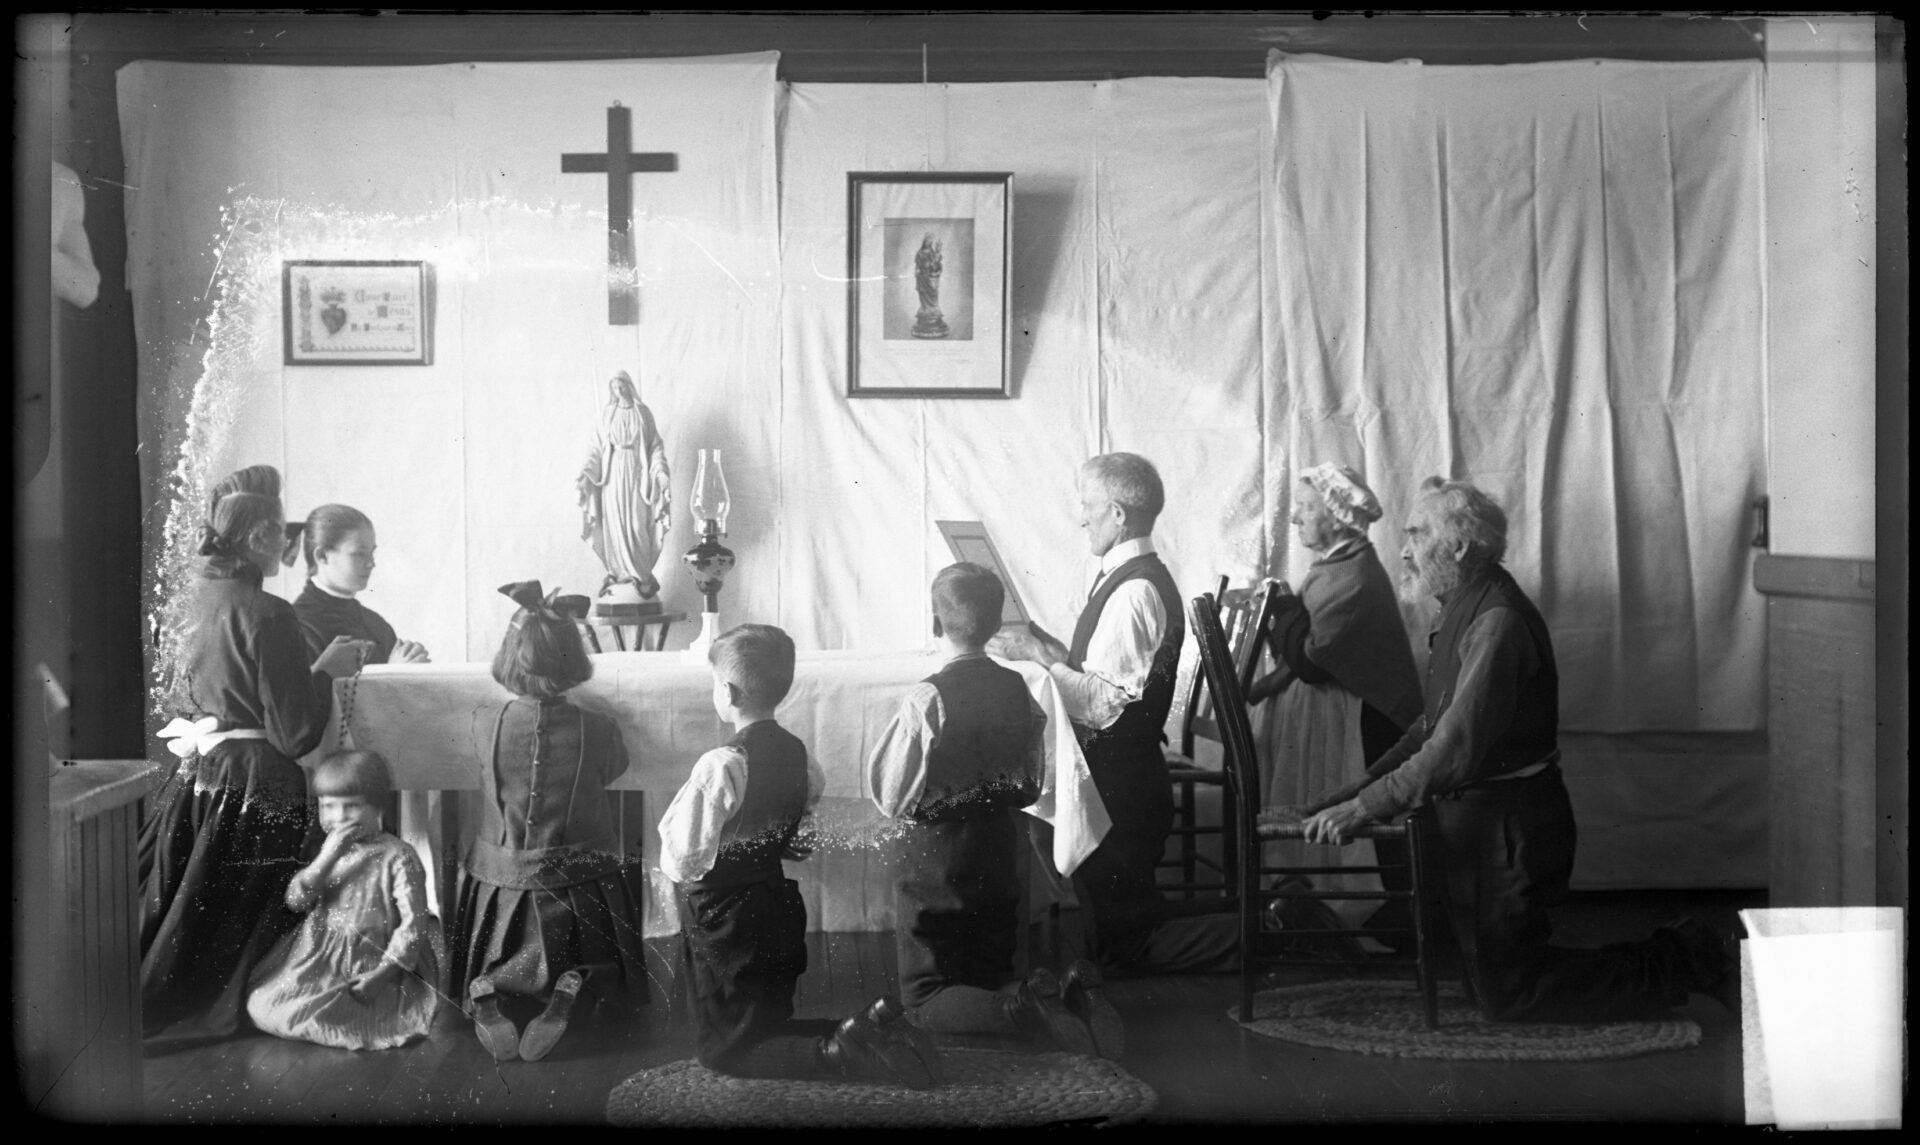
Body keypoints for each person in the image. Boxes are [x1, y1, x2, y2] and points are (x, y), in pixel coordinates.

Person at [1301, 477, 1738, 1021]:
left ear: (1459, 547)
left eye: (1416, 533)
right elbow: (1429, 726)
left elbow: (1453, 747)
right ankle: (1673, 955)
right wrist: (1358, 790)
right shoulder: (1461, 605)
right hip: (1477, 824)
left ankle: (1682, 956)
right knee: (1482, 971)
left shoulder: (1495, 622)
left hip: (1509, 832)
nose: (1404, 548)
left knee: (1512, 994)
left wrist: (1366, 807)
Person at [660, 624, 944, 1086]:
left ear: (728, 692)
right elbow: (797, 829)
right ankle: (866, 1025)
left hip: (725, 922)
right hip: (775, 909)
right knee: (765, 1020)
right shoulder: (798, 754)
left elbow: (683, 857)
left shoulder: (723, 764)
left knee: (723, 1051)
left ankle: (839, 1053)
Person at [140, 473, 368, 1047]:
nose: (284, 549)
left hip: (200, 773)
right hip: (254, 782)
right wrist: (325, 671)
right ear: (260, 539)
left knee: (181, 906)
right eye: (279, 537)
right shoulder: (269, 612)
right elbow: (293, 735)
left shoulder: (195, 598)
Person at [992, 452, 1238, 977]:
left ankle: (1268, 929)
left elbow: (1104, 705)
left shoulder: (1134, 591)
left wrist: (1037, 657)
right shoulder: (1127, 580)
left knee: (1124, 949)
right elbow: (1105, 680)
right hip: (1124, 782)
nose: (1081, 517)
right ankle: (1264, 918)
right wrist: (1050, 650)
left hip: (1121, 793)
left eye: (1088, 505)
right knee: (1119, 933)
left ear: (1118, 514)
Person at [866, 563, 1124, 1057]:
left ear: (936, 623)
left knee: (923, 997)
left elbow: (891, 795)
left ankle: (1025, 1007)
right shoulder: (1020, 689)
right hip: (1001, 857)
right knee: (991, 971)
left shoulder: (926, 698)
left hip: (938, 867)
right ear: (997, 623)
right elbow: (1030, 786)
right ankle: (1069, 991)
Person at [450, 581, 649, 1063]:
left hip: (503, 875)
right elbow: (614, 769)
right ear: (572, 660)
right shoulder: (598, 727)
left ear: (508, 658)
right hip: (579, 878)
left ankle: (492, 990)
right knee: (579, 952)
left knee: (499, 946)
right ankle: (571, 990)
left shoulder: (481, 722)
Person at [1249, 464, 1423, 948]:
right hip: (1337, 717)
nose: (1296, 519)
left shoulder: (1355, 576)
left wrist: (1283, 611)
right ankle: (1318, 909)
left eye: (1306, 509)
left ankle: (1361, 917)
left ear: (1339, 518)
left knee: (1350, 824)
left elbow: (1310, 661)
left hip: (1366, 723)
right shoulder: (1338, 566)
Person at [246, 750, 441, 1050]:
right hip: (320, 953)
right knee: (263, 1004)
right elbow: (296, 901)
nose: (337, 818)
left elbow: (414, 924)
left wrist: (383, 973)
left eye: (350, 807)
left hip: (376, 959)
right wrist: (327, 858)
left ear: (378, 806)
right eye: (328, 806)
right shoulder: (328, 849)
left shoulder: (399, 856)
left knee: (344, 1014)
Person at [287, 503, 430, 665]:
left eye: (371, 552)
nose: (371, 563)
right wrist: (392, 674)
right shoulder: (295, 626)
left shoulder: (377, 625)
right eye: (359, 554)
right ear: (322, 556)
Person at [576, 370, 671, 598]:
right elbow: (595, 449)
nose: (619, 391)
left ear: (630, 387)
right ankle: (618, 573)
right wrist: (585, 473)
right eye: (615, 388)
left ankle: (641, 575)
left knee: (638, 525)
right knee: (615, 526)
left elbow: (654, 446)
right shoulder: (607, 414)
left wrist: (660, 472)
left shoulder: (643, 413)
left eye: (622, 387)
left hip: (637, 476)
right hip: (612, 479)